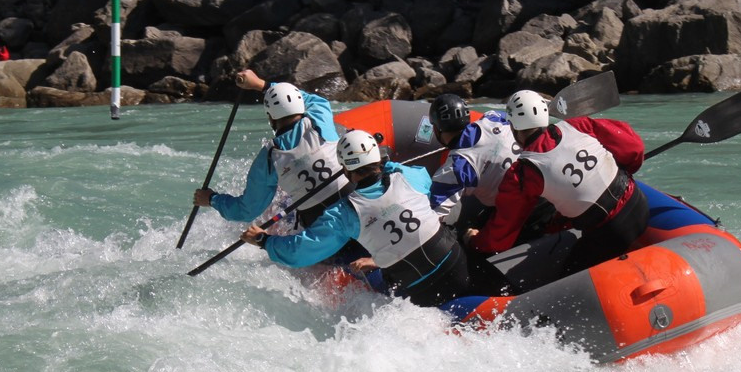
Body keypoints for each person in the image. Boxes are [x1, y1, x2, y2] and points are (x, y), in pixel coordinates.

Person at [241, 130, 510, 306]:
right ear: (378, 158)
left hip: (418, 291)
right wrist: (389, 165)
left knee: (353, 266)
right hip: (457, 264)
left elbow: (301, 251)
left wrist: (265, 242)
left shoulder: (342, 213)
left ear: (345, 169)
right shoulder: (409, 177)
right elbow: (420, 175)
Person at [473, 90, 648, 277]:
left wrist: (476, 242)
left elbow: (502, 234)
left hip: (610, 233)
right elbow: (634, 148)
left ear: (514, 127)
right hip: (640, 204)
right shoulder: (577, 125)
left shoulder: (522, 173)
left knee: (566, 275)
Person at [193, 69, 347, 230]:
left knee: (278, 199)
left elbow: (247, 211)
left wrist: (212, 199)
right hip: (358, 205)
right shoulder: (319, 117)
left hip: (319, 228)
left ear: (271, 118)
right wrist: (261, 84)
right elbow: (310, 99)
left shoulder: (267, 158)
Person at [427, 94, 519, 231]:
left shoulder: (455, 169)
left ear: (437, 129)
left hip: (512, 209)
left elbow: (430, 217)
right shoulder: (492, 117)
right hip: (538, 179)